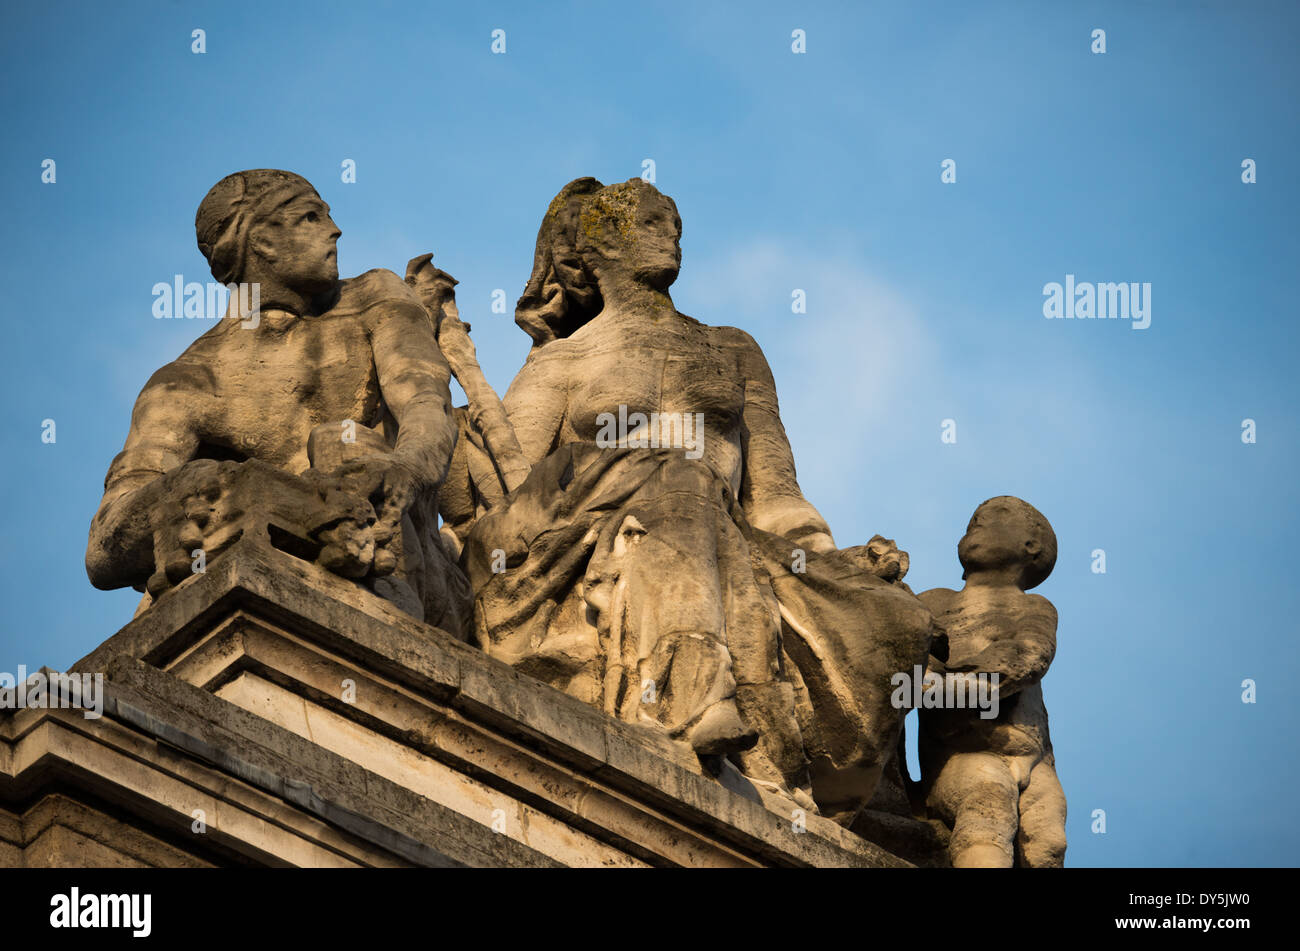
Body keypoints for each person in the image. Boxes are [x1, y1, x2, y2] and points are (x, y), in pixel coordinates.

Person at [433, 177, 934, 818]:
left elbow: (776, 494)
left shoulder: (731, 349)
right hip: (584, 540)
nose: (670, 234)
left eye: (673, 223)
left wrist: (824, 555)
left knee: (901, 622)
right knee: (676, 476)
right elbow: (515, 487)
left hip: (727, 538)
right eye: (649, 222)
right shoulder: (560, 363)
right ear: (594, 250)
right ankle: (696, 696)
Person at [87, 169, 470, 636]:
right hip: (255, 585)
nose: (335, 229)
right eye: (311, 216)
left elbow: (426, 401)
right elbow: (103, 547)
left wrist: (406, 469)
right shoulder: (185, 382)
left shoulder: (374, 295)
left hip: (398, 555)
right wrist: (174, 495)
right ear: (262, 242)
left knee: (344, 444)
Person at [917, 496, 1067, 866]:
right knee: (988, 803)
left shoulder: (1035, 607)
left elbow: (1028, 659)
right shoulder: (933, 603)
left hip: (1034, 762)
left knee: (1049, 842)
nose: (976, 522)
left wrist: (954, 687)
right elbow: (902, 665)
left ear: (1031, 546)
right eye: (973, 518)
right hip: (961, 756)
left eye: (994, 517)